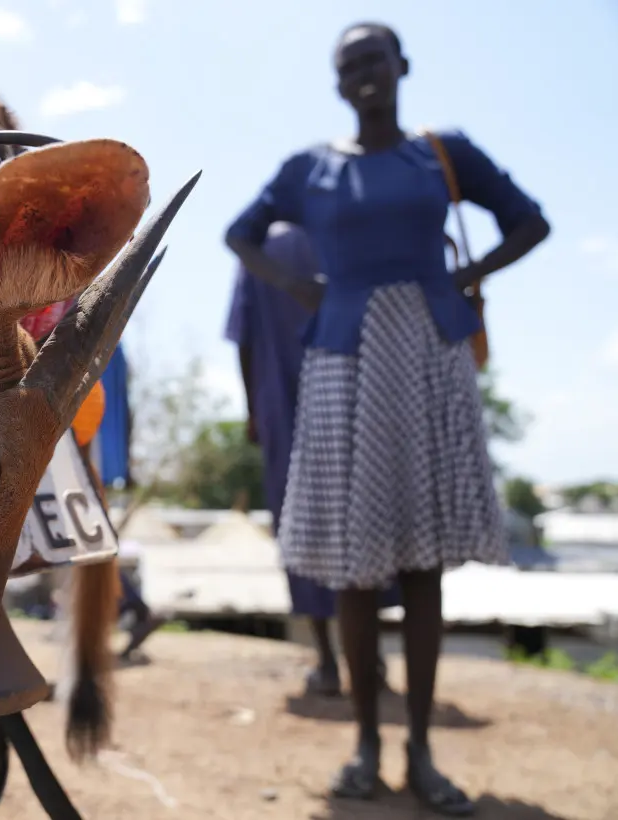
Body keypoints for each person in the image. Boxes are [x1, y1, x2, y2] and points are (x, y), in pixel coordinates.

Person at [223, 22, 550, 816]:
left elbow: (529, 220)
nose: (364, 73)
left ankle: (422, 750)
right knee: (352, 565)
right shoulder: (311, 167)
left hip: (431, 353)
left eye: (375, 58)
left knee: (423, 563)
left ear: (402, 66)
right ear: (337, 84)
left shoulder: (442, 153)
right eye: (349, 65)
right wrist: (300, 289)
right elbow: (240, 234)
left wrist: (464, 275)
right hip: (342, 358)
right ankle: (367, 744)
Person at [224, 221, 398, 697]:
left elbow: (243, 337)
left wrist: (254, 411)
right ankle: (373, 659)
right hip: (353, 402)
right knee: (363, 519)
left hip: (284, 409)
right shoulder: (343, 235)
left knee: (300, 524)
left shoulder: (259, 251)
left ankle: (325, 660)